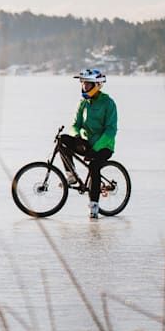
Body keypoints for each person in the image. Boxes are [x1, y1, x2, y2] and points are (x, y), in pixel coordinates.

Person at [60, 69, 118, 219]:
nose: (84, 87)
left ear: (97, 85)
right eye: (83, 83)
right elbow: (75, 124)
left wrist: (96, 149)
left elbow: (110, 131)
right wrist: (77, 136)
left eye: (87, 84)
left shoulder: (108, 103)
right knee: (62, 140)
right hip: (87, 143)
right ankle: (71, 174)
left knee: (94, 166)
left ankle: (94, 206)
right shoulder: (83, 103)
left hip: (104, 147)